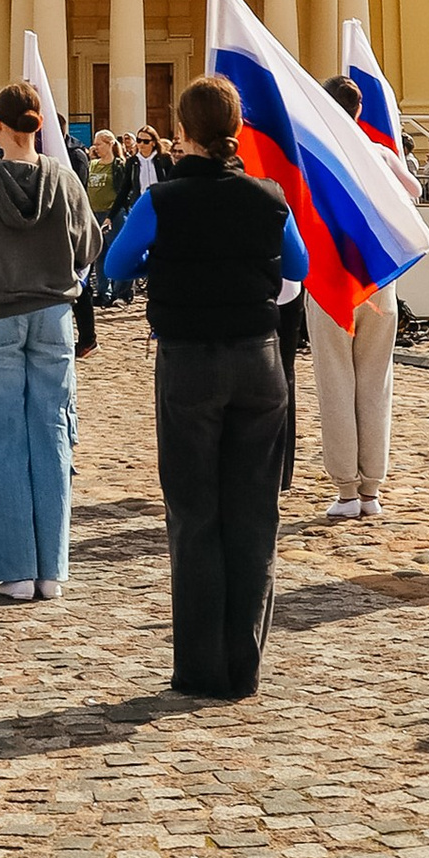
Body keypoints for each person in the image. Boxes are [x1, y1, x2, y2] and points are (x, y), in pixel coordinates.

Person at [105, 74, 306, 700]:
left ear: (182, 133)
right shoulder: (268, 196)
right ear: (237, 132)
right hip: (258, 360)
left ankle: (199, 667)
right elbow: (297, 267)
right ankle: (243, 665)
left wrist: (160, 261)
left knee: (194, 513)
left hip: (189, 359)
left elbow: (115, 267)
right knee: (253, 511)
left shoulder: (162, 201)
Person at [0, 81, 100, 602]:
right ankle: (51, 568)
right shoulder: (65, 179)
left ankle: (15, 570)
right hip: (53, 313)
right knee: (54, 434)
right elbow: (90, 244)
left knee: (0, 438)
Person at [308, 70, 395, 522]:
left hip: (331, 278)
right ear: (359, 111)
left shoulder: (314, 158)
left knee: (336, 380)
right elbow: (414, 191)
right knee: (375, 380)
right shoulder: (377, 152)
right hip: (378, 278)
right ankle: (372, 488)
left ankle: (346, 489)